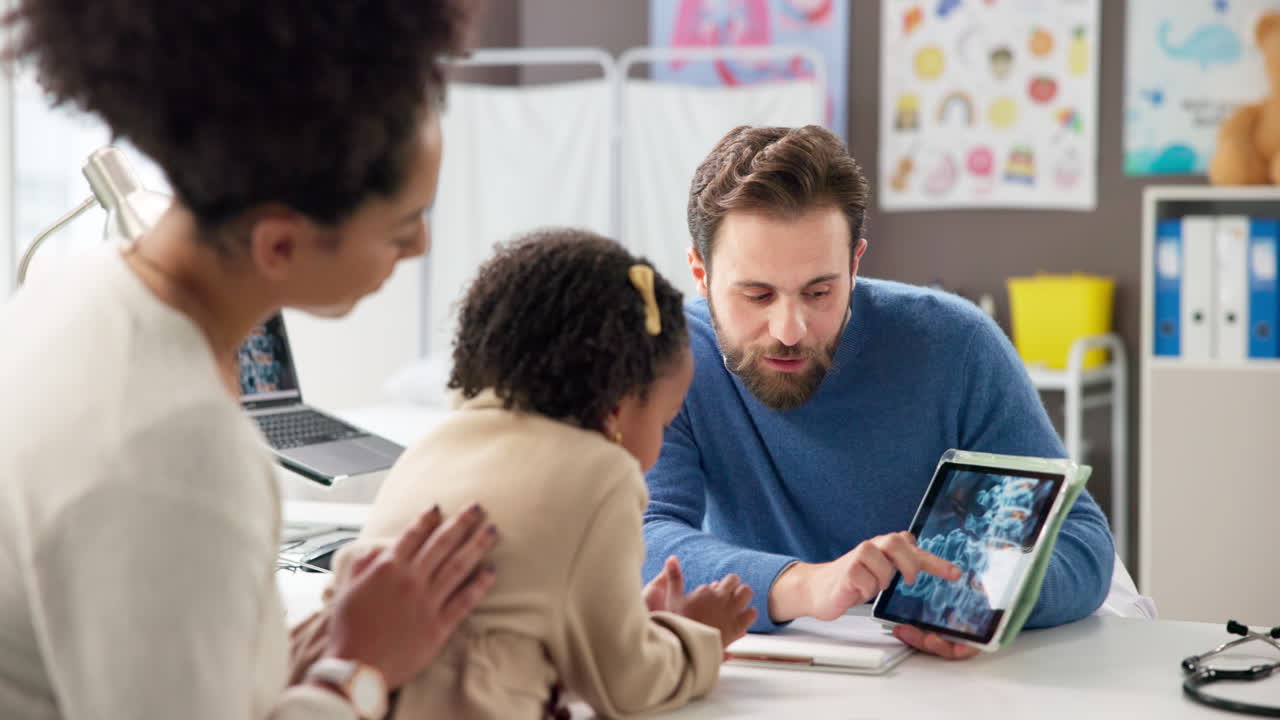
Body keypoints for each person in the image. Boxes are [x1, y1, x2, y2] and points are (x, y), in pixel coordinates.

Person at [0, 2, 499, 718]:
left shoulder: (73, 292)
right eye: (401, 228)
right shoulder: (173, 450)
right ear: (279, 247)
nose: (420, 247)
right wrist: (358, 669)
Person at [642, 125, 1116, 660]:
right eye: (757, 294)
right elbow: (639, 537)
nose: (789, 328)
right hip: (768, 670)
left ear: (855, 263)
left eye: (819, 291)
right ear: (700, 274)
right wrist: (805, 586)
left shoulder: (955, 344)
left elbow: (1080, 540)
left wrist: (979, 599)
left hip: (932, 676)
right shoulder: (673, 357)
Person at [293, 229, 756, 719]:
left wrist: (635, 619)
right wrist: (693, 635)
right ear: (617, 408)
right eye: (664, 419)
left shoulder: (432, 446)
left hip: (335, 683)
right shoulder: (603, 474)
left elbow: (530, 610)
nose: (662, 440)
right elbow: (625, 682)